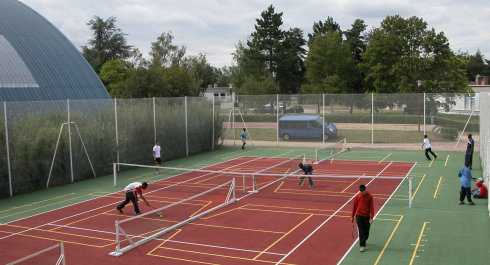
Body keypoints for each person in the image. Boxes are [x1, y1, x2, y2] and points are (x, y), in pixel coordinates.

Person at [351, 184, 374, 252]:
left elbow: (371, 208)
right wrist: (352, 216)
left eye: (363, 191)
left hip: (366, 216)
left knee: (366, 231)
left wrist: (371, 217)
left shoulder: (370, 197)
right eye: (361, 192)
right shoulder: (357, 196)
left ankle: (364, 238)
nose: (362, 193)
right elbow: (354, 206)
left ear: (365, 190)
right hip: (359, 215)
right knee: (361, 231)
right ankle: (362, 245)